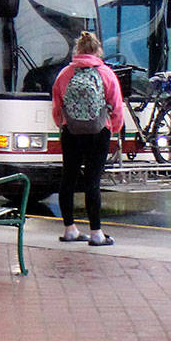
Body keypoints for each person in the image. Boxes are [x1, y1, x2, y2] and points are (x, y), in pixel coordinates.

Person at [51, 30, 124, 246]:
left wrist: (63, 124)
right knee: (92, 181)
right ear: (97, 50)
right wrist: (113, 128)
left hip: (71, 131)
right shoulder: (106, 73)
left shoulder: (65, 74)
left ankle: (70, 229)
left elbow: (57, 106)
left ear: (77, 50)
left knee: (68, 179)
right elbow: (117, 106)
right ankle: (96, 233)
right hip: (98, 131)